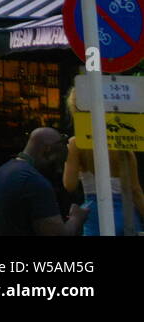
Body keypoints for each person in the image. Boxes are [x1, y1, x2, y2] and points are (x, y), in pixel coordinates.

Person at [62, 89, 144, 236]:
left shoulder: (77, 143)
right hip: (128, 216)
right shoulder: (122, 141)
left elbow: (69, 185)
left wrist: (68, 157)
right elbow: (136, 191)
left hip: (96, 216)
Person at [0, 127, 88, 236]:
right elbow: (58, 234)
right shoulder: (34, 182)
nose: (59, 170)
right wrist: (76, 218)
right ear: (47, 150)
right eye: (57, 159)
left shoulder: (2, 171)